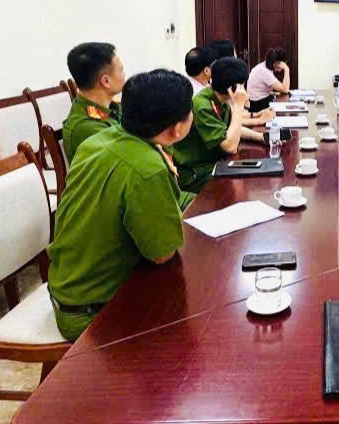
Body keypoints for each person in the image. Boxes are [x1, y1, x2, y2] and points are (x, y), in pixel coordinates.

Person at [47, 69, 196, 341]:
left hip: (65, 290)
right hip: (95, 313)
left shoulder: (98, 140)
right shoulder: (147, 169)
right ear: (177, 128)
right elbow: (162, 254)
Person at [172, 57, 267, 192]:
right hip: (196, 172)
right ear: (234, 88)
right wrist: (238, 106)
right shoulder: (202, 106)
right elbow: (230, 146)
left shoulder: (218, 99)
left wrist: (262, 137)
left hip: (214, 163)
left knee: (256, 170)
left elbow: (231, 129)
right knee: (249, 181)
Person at [62, 42, 126, 163]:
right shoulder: (89, 128)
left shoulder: (109, 106)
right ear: (106, 81)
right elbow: (128, 159)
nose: (124, 75)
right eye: (121, 70)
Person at [247, 48, 291, 113]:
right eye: (283, 65)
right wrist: (287, 69)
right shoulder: (265, 72)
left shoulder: (263, 66)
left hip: (258, 101)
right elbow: (285, 90)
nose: (280, 70)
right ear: (277, 63)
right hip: (258, 104)